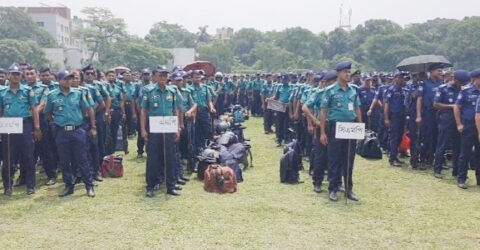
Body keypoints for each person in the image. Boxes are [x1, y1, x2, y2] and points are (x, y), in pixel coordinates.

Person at [44, 70, 96, 197]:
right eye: (65, 79)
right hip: (61, 131)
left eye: (70, 78)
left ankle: (89, 186)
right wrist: (57, 122)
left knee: (82, 159)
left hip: (77, 130)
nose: (68, 81)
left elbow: (87, 109)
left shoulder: (78, 93)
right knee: (64, 160)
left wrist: (92, 126)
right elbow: (48, 113)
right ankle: (68, 186)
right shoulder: (52, 95)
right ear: (59, 80)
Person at [319, 61, 362, 202]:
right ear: (338, 74)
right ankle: (333, 189)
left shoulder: (353, 90)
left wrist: (360, 126)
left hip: (350, 127)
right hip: (335, 126)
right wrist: (323, 132)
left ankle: (349, 189)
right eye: (345, 72)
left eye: (349, 72)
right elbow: (324, 113)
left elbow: (357, 109)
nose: (348, 74)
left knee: (349, 160)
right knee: (334, 159)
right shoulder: (330, 90)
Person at [140, 66, 183, 197]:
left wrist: (177, 127)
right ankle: (151, 185)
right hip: (154, 127)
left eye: (165, 75)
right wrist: (142, 129)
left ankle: (170, 185)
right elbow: (143, 110)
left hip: (169, 127)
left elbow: (175, 109)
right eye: (160, 75)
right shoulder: (149, 90)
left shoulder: (172, 91)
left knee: (170, 157)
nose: (163, 78)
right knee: (153, 157)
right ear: (155, 77)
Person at [0, 63, 42, 196]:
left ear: (21, 76)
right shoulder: (2, 93)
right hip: (8, 125)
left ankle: (30, 185)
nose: (15, 77)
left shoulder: (28, 91)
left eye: (18, 74)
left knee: (28, 155)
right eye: (13, 74)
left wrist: (37, 127)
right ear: (8, 75)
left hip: (25, 124)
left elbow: (34, 109)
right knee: (8, 157)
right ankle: (8, 186)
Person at [433, 70, 466, 178]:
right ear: (454, 79)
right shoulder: (443, 88)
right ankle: (437, 169)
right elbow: (436, 104)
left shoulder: (463, 90)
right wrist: (451, 106)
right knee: (442, 144)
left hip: (460, 120)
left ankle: (456, 170)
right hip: (446, 119)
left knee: (458, 146)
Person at [455, 68, 480, 189]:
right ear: (476, 79)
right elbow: (457, 107)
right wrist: (459, 124)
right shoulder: (466, 91)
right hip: (468, 124)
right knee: (465, 152)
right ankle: (461, 178)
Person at [417, 63, 444, 166]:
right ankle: (423, 158)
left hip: (439, 113)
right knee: (426, 136)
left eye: (441, 71)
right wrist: (419, 116)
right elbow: (419, 100)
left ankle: (434, 159)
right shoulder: (424, 84)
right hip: (427, 113)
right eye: (438, 70)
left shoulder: (441, 83)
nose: (440, 72)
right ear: (431, 72)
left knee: (437, 136)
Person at [384, 72, 407, 166]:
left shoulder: (403, 90)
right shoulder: (391, 89)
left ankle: (395, 156)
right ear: (396, 78)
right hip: (394, 116)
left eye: (403, 78)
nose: (402, 80)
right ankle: (392, 158)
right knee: (394, 137)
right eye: (400, 78)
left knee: (400, 136)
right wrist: (386, 118)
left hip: (402, 115)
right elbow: (386, 104)